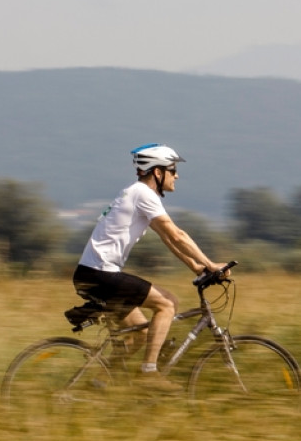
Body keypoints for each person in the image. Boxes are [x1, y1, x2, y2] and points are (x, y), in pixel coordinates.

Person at [73, 143, 232, 388]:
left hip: (93, 275)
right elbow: (177, 234)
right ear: (157, 172)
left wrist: (197, 268)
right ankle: (149, 373)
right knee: (168, 303)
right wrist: (211, 264)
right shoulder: (143, 194)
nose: (176, 175)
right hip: (101, 275)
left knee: (141, 334)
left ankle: (97, 384)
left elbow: (168, 238)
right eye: (172, 169)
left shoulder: (136, 193)